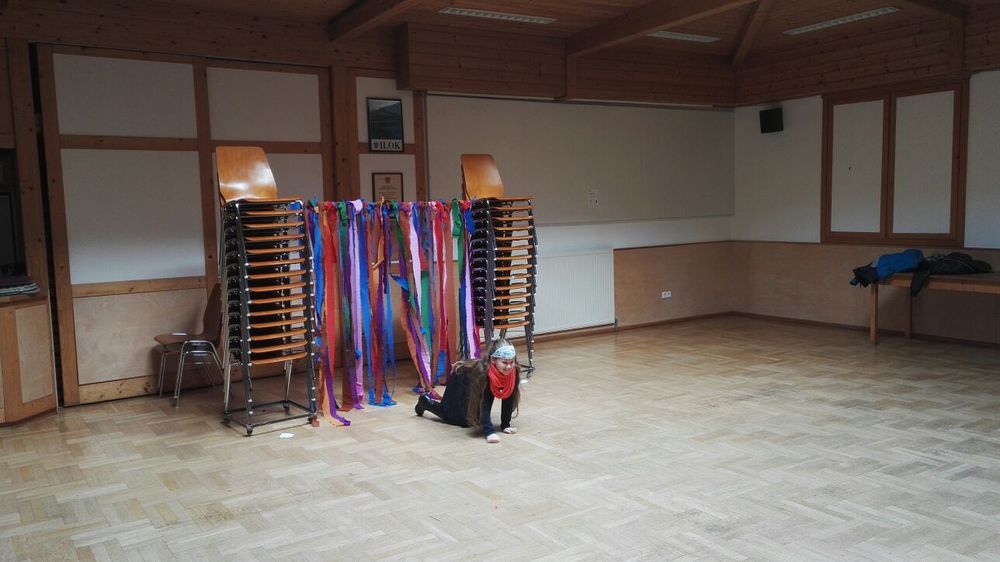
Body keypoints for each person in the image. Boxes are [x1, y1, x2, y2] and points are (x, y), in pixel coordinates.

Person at [414, 338, 521, 443]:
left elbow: (508, 396)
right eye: (504, 363)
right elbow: (485, 402)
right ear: (493, 360)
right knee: (457, 418)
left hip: (473, 384)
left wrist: (505, 425)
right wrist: (489, 432)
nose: (508, 367)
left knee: (474, 419)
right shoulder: (484, 374)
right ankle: (425, 401)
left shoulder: (513, 372)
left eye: (511, 362)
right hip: (460, 378)